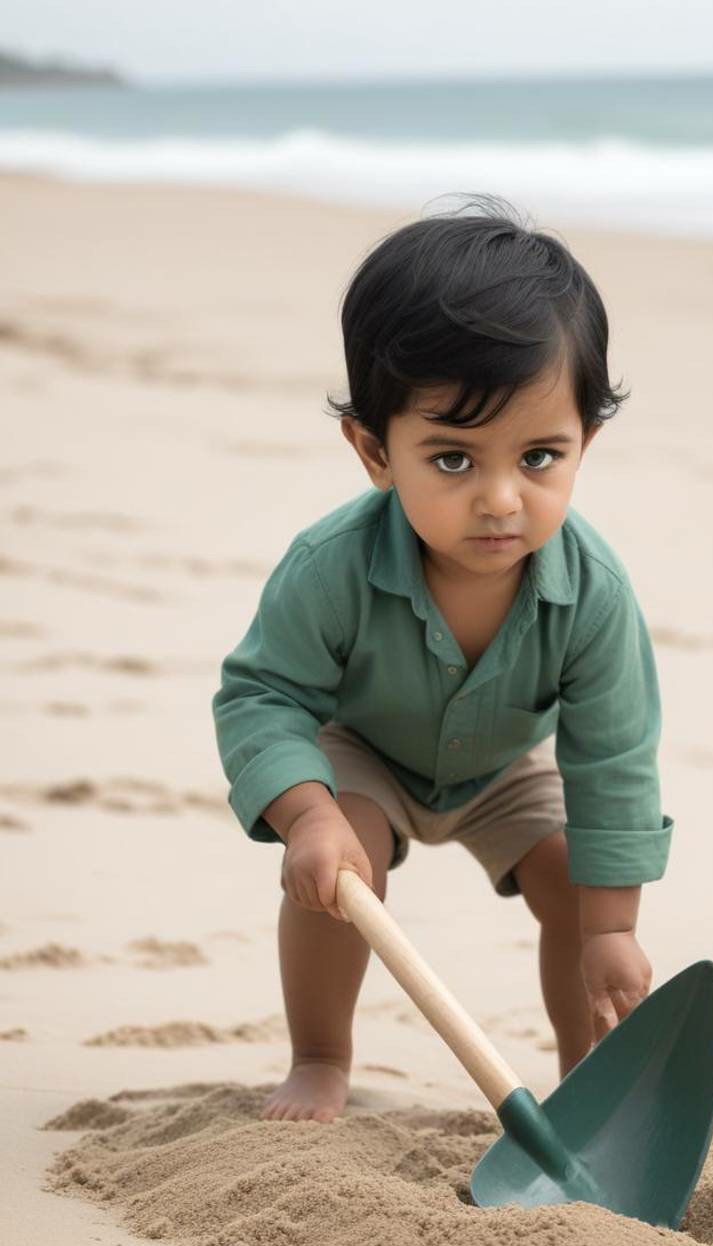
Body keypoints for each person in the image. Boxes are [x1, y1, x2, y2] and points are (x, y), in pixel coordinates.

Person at [212, 193, 674, 1123]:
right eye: (455, 461)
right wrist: (304, 813)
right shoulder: (330, 566)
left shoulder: (594, 595)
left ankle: (585, 1083)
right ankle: (320, 1058)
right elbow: (261, 694)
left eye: (541, 456)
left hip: (501, 768)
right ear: (375, 451)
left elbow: (613, 762)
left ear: (587, 438)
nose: (503, 499)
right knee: (343, 872)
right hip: (365, 752)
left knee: (571, 881)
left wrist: (612, 926)